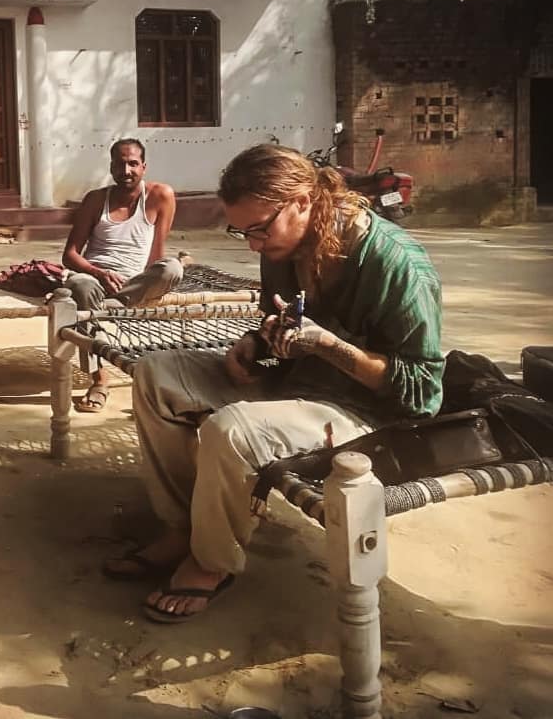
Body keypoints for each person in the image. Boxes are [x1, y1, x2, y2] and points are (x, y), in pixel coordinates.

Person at [103, 142, 444, 623]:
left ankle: (212, 561)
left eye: (260, 230)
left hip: (361, 415)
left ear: (304, 200)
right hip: (292, 387)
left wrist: (329, 347)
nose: (253, 246)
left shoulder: (395, 264)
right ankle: (184, 528)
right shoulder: (281, 248)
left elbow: (422, 392)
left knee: (231, 429)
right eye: (241, 232)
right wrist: (255, 343)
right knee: (157, 375)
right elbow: (278, 319)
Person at [62, 138, 182, 413]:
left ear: (144, 166)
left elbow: (157, 255)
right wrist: (98, 272)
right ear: (111, 166)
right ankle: (100, 380)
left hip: (134, 283)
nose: (125, 170)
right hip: (94, 281)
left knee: (173, 268)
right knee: (80, 285)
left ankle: (108, 308)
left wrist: (147, 281)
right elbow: (70, 255)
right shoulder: (96, 200)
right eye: (119, 164)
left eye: (132, 164)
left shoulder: (160, 195)